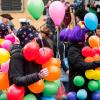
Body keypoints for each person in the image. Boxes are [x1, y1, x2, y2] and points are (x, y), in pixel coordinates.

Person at [8, 24, 51, 99]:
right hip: (24, 96)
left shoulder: (36, 55)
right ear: (26, 41)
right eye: (33, 39)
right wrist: (38, 76)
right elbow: (17, 80)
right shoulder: (17, 56)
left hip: (36, 95)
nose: (36, 40)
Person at [67, 25, 100, 99]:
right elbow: (81, 65)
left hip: (88, 82)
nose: (86, 35)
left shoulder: (84, 45)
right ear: (79, 36)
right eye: (84, 34)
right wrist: (98, 63)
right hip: (78, 84)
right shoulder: (73, 50)